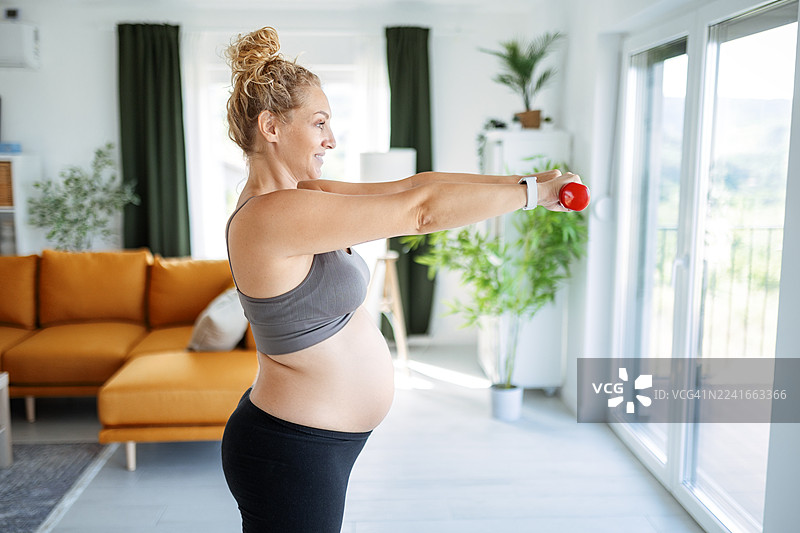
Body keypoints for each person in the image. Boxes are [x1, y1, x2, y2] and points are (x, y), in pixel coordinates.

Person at [220, 26, 583, 533]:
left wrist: (528, 183)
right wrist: (529, 197)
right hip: (291, 448)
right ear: (271, 127)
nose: (331, 139)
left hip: (309, 442)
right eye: (319, 122)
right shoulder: (268, 216)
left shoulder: (306, 194)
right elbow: (420, 212)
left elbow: (417, 185)